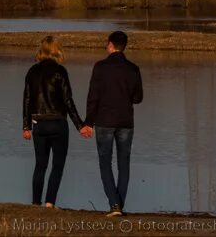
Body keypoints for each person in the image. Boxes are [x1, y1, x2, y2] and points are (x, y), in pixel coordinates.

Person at [22, 35, 91, 208]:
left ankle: (35, 203)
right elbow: (68, 101)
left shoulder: (32, 71)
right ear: (56, 50)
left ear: (41, 50)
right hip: (58, 123)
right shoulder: (60, 71)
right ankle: (50, 203)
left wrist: (26, 126)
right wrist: (80, 125)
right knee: (57, 166)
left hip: (38, 123)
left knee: (40, 165)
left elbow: (27, 101)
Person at [85, 30, 143, 217]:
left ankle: (115, 204)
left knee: (105, 162)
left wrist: (88, 122)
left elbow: (93, 97)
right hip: (126, 121)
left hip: (104, 121)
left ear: (110, 44)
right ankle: (118, 205)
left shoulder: (100, 67)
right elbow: (138, 97)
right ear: (124, 46)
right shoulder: (133, 69)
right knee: (123, 163)